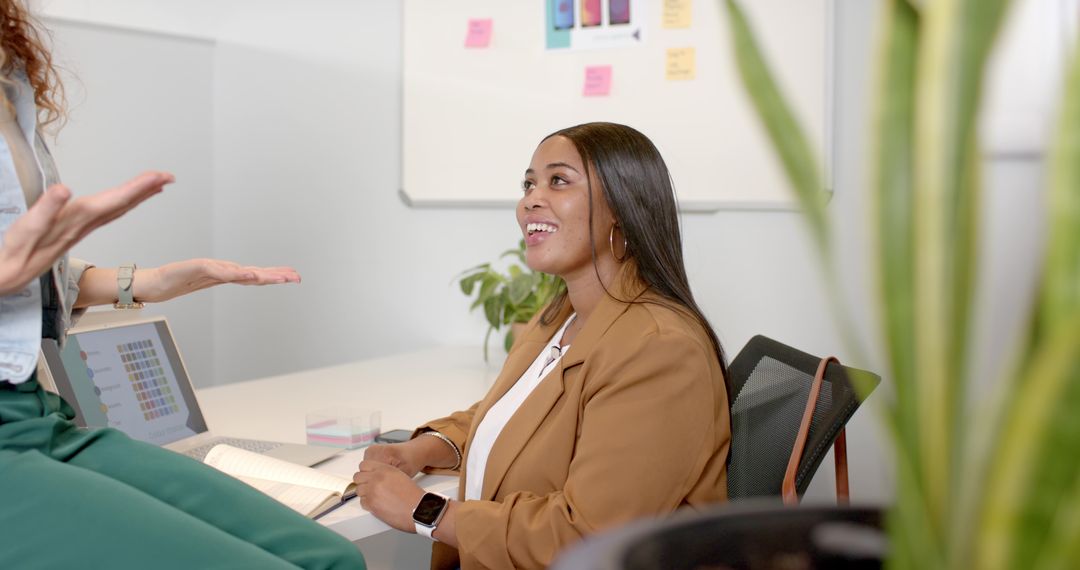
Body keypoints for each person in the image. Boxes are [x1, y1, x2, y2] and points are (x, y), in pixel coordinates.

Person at [0, 2, 365, 568]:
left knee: (329, 559)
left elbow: (18, 269)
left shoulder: (10, 68)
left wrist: (146, 283)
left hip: (35, 413)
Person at [354, 122, 732, 569]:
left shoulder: (660, 349)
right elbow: (516, 415)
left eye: (559, 181)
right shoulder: (562, 316)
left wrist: (425, 512)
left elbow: (587, 535)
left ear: (622, 208)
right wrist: (422, 450)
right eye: (529, 184)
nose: (531, 199)